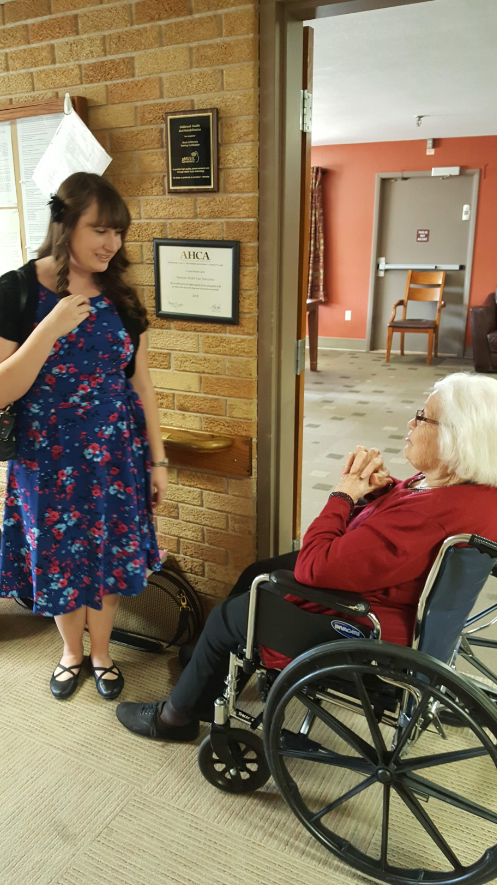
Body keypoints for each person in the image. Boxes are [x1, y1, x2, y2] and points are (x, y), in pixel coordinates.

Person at [116, 372, 497, 741]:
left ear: (456, 439)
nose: (410, 423)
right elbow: (407, 515)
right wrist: (381, 490)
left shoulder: (428, 517)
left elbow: (315, 567)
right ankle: (210, 662)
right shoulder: (467, 488)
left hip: (366, 621)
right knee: (258, 571)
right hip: (386, 595)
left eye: (422, 417)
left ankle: (175, 719)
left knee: (230, 615)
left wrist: (343, 494)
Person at [0, 172, 168, 701]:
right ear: (65, 223)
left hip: (117, 457)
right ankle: (71, 653)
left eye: (118, 232)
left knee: (110, 559)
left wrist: (158, 461)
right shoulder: (16, 289)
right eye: (100, 229)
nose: (111, 243)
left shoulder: (121, 296)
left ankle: (101, 653)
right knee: (60, 559)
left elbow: (141, 384)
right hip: (46, 459)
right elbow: (3, 388)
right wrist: (49, 328)